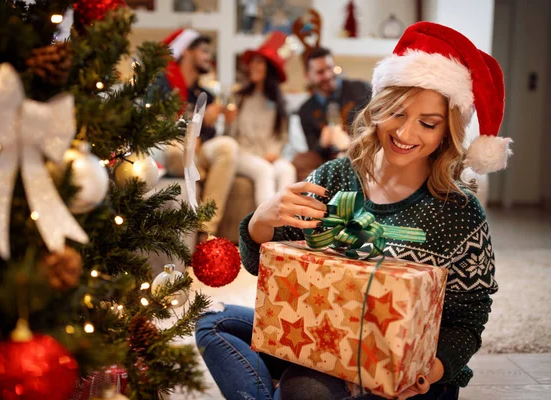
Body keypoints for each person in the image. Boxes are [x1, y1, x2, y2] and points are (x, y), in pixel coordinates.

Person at [195, 21, 512, 400]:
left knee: (303, 389)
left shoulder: (460, 212)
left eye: (427, 123)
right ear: (378, 108)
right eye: (396, 113)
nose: (406, 134)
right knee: (215, 322)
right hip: (325, 339)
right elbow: (270, 273)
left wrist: (432, 367)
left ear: (447, 131)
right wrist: (262, 220)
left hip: (407, 371)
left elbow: (468, 317)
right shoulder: (336, 177)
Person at [149, 29, 238, 241]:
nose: (210, 57)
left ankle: (205, 231)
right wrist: (193, 127)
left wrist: (209, 123)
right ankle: (204, 173)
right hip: (173, 148)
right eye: (204, 51)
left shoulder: (205, 94)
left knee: (228, 146)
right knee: (175, 150)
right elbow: (157, 127)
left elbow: (209, 136)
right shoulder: (162, 86)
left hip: (198, 153)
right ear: (187, 52)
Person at [229, 31, 296, 207]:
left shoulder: (278, 103)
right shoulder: (239, 97)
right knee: (264, 170)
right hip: (243, 153)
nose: (253, 65)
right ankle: (265, 225)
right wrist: (228, 120)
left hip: (268, 154)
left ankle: (286, 225)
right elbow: (230, 135)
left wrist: (274, 152)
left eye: (259, 62)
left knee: (287, 169)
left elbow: (282, 136)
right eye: (253, 61)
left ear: (270, 68)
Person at [293, 47, 372, 181]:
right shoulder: (305, 110)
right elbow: (312, 148)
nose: (328, 75)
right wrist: (322, 143)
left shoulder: (360, 89)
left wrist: (349, 143)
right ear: (308, 76)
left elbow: (376, 127)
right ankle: (313, 197)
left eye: (330, 68)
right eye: (320, 72)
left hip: (361, 153)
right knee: (301, 160)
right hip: (326, 160)